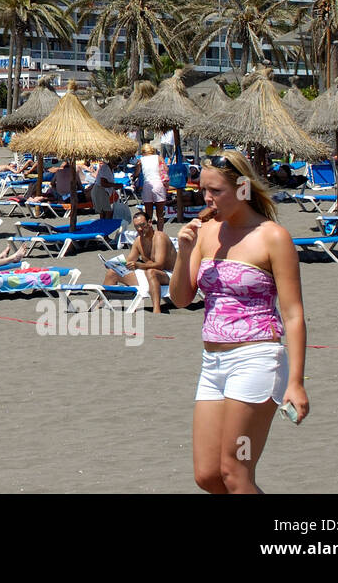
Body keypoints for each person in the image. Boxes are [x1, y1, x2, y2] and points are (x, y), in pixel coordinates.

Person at [170, 150, 308, 494]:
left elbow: (293, 314)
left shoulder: (272, 236)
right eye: (203, 190)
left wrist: (296, 382)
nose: (207, 199)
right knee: (208, 476)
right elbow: (181, 299)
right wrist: (185, 252)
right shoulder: (205, 233)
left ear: (243, 188)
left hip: (256, 359)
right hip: (212, 362)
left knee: (235, 473)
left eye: (216, 191)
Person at [104, 212, 174, 314]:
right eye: (137, 227)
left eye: (142, 225)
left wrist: (138, 265)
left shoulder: (159, 237)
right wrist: (113, 264)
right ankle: (100, 304)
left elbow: (160, 265)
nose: (140, 229)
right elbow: (128, 262)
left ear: (149, 223)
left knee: (151, 272)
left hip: (169, 275)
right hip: (148, 273)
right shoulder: (138, 241)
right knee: (112, 272)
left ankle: (156, 310)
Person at [138, 143, 169, 227]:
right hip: (158, 184)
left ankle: (150, 235)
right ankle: (160, 234)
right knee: (160, 216)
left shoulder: (141, 160)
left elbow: (136, 173)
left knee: (148, 215)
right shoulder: (159, 158)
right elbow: (166, 169)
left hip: (147, 185)